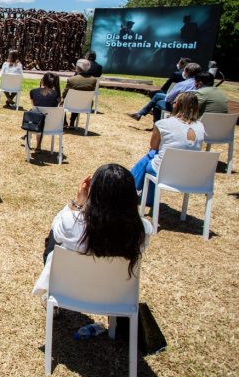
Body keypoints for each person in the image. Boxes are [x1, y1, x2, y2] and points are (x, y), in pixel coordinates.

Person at [32, 164, 152, 299]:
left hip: (69, 292)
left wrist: (77, 204)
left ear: (94, 194)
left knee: (54, 239)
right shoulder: (143, 230)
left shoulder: (72, 223)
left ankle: (50, 295)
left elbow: (56, 228)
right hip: (114, 297)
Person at [131, 92, 205, 206]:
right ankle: (147, 198)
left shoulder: (163, 124)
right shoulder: (200, 126)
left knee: (150, 157)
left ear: (177, 105)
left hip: (166, 172)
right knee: (153, 159)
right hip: (190, 174)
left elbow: (153, 146)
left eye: (174, 101)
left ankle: (126, 189)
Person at [129, 62, 201, 122]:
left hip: (179, 107)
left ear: (187, 72)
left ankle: (156, 125)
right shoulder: (201, 84)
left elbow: (168, 99)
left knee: (157, 103)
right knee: (158, 95)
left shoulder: (182, 84)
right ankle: (140, 114)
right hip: (193, 108)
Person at [29, 72, 61, 152]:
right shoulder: (56, 95)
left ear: (43, 80)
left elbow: (35, 107)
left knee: (36, 113)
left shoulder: (33, 92)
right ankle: (38, 146)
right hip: (52, 126)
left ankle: (38, 145)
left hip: (36, 125)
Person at [63, 59, 97, 128]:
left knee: (69, 100)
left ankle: (64, 122)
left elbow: (64, 95)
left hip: (70, 104)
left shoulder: (71, 80)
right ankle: (72, 122)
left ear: (77, 68)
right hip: (86, 105)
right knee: (78, 99)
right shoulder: (93, 80)